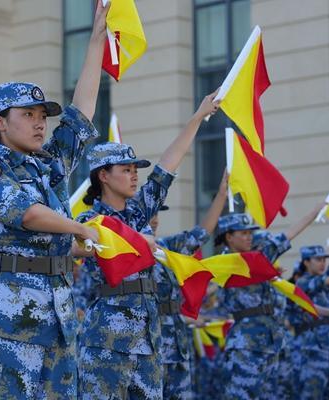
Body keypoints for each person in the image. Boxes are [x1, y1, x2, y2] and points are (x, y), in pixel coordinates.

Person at [0, 2, 109, 397]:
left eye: (43, 115)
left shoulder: (48, 163)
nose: (40, 122)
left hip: (58, 313)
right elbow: (26, 213)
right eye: (27, 114)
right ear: (0, 122)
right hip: (7, 317)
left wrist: (96, 41)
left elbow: (81, 114)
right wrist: (79, 228)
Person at [76, 89, 219, 400]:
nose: (134, 176)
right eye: (126, 170)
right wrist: (140, 240)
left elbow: (167, 166)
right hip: (108, 338)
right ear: (104, 176)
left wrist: (197, 117)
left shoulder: (139, 211)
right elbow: (94, 243)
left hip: (148, 335)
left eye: (135, 170)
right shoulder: (89, 220)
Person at [215, 203, 325, 400]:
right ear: (229, 237)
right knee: (242, 395)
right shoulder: (222, 264)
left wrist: (318, 208)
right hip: (246, 343)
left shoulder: (258, 259)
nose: (249, 237)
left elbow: (290, 234)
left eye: (250, 233)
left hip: (272, 339)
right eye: (243, 233)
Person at [153, 173, 227, 400]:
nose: (154, 219)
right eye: (149, 214)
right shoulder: (122, 251)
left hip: (176, 342)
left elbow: (201, 234)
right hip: (147, 344)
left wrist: (221, 194)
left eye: (156, 214)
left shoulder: (167, 248)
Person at [287, 246, 329, 399]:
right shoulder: (302, 283)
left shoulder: (324, 287)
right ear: (306, 262)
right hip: (311, 349)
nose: (322, 263)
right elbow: (328, 280)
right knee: (312, 394)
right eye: (318, 260)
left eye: (324, 260)